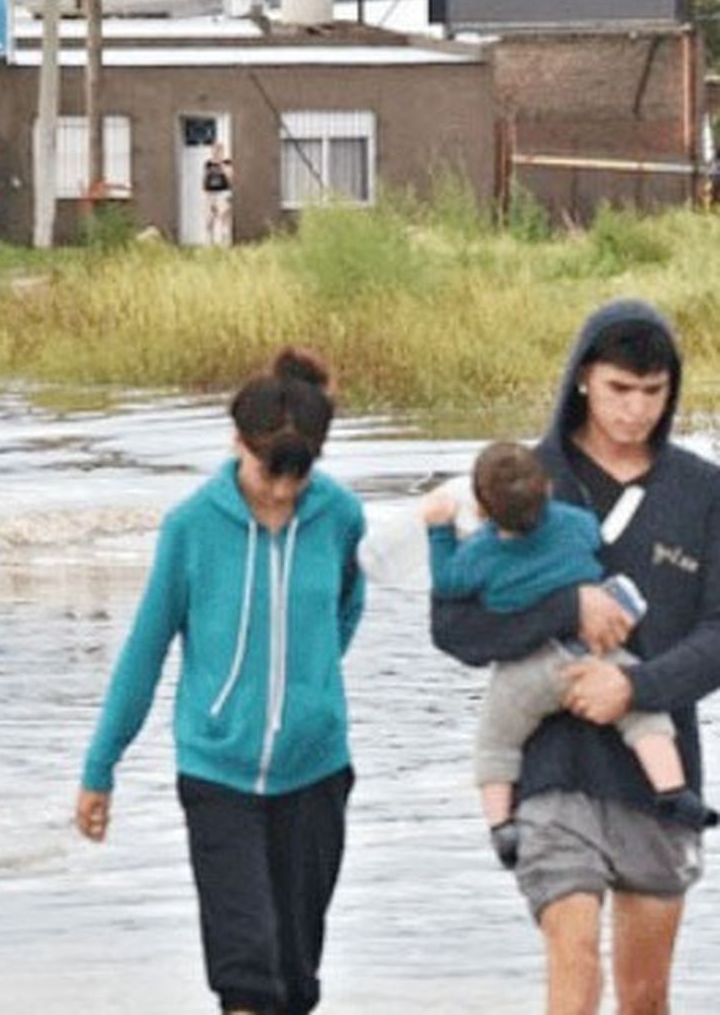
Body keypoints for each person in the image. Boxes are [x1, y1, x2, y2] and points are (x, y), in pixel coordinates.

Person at [431, 299, 720, 1015]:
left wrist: (636, 688)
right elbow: (455, 628)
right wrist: (566, 610)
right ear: (585, 379)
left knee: (645, 997)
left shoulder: (702, 491)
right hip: (551, 768)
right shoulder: (520, 478)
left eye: (653, 393)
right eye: (621, 389)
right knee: (575, 960)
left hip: (659, 769)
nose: (636, 410)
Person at [76, 347, 365, 1015]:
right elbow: (145, 650)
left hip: (316, 770)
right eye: (272, 472)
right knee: (247, 974)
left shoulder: (341, 517)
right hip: (217, 773)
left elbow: (345, 607)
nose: (285, 491)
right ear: (238, 440)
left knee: (296, 982)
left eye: (301, 474)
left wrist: (308, 684)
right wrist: (100, 767)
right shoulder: (192, 527)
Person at [423, 440, 712, 872]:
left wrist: (440, 532)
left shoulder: (479, 555)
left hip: (524, 670)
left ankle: (501, 825)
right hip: (593, 656)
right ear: (549, 487)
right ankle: (673, 790)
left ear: (482, 508)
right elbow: (599, 539)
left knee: (496, 743)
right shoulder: (577, 524)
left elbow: (447, 583)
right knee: (644, 716)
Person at [203, 143, 234, 248]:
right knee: (209, 218)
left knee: (224, 216)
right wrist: (205, 192)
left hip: (223, 192)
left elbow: (230, 178)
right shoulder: (208, 164)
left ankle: (225, 244)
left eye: (218, 151)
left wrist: (223, 166)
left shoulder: (227, 163)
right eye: (214, 151)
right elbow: (205, 178)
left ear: (222, 152)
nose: (215, 154)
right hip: (210, 193)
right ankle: (209, 243)